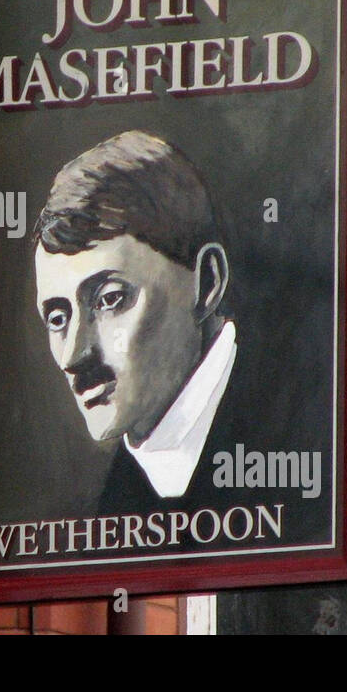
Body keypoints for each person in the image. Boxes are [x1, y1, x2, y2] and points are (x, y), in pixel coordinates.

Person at [32, 130, 236, 505]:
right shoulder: (116, 498)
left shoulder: (315, 427)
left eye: (110, 299)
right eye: (58, 318)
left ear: (207, 283)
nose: (73, 356)